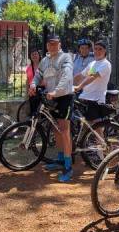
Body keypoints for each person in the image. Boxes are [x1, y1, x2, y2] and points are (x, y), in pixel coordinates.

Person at [29, 34, 74, 182]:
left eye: (55, 44)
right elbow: (38, 74)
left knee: (64, 130)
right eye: (50, 44)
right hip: (51, 98)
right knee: (55, 129)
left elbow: (66, 76)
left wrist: (56, 91)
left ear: (59, 44)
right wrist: (33, 84)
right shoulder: (45, 60)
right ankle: (61, 159)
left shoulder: (66, 57)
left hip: (64, 97)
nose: (52, 46)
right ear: (47, 46)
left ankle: (68, 166)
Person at [74, 40, 111, 121]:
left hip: (95, 99)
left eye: (100, 49)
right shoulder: (93, 64)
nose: (97, 51)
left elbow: (93, 77)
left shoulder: (105, 64)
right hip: (85, 97)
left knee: (96, 127)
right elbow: (81, 75)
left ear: (105, 50)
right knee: (85, 126)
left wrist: (80, 86)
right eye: (96, 49)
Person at [26, 48, 42, 115]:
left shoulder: (43, 66)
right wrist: (27, 91)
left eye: (36, 54)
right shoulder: (29, 67)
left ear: (39, 55)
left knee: (41, 111)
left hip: (41, 89)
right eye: (32, 55)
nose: (34, 56)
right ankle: (34, 124)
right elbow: (27, 80)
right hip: (31, 91)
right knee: (33, 110)